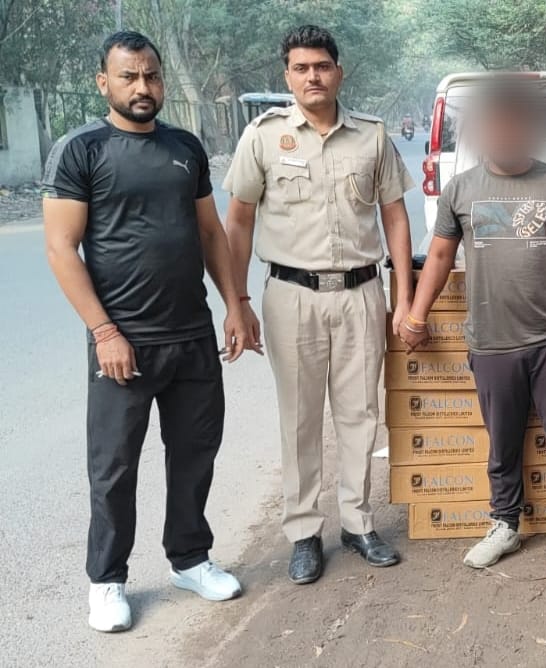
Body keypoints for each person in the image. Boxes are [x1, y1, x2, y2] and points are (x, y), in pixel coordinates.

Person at [42, 31, 253, 633]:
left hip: (191, 336)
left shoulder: (184, 147)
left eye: (151, 76)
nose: (143, 87)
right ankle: (107, 580)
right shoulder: (81, 150)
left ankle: (190, 559)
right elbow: (61, 248)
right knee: (114, 469)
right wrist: (104, 331)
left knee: (195, 454)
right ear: (103, 82)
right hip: (123, 343)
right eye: (129, 76)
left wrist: (236, 304)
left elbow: (210, 233)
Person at [400, 81, 546, 574]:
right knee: (502, 443)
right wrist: (416, 314)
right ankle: (504, 523)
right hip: (492, 342)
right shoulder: (462, 189)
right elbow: (439, 257)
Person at [224, 25, 415, 585]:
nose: (313, 77)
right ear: (287, 76)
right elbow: (239, 221)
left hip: (360, 293)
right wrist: (237, 300)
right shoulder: (263, 137)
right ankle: (304, 532)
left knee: (360, 413)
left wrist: (403, 297)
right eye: (302, 68)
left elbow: (395, 217)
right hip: (291, 296)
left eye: (322, 66)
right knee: (300, 417)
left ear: (339, 71)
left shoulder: (372, 137)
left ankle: (357, 524)